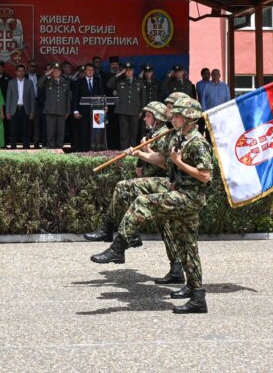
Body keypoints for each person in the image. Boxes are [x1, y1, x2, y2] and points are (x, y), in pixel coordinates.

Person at [91, 98, 214, 314]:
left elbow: (205, 176)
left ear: (188, 119)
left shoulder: (198, 142)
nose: (172, 118)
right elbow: (162, 158)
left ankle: (119, 246)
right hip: (179, 192)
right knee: (188, 246)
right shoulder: (181, 138)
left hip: (189, 196)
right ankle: (197, 296)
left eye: (176, 116)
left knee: (142, 203)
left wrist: (179, 163)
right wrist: (143, 153)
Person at [83, 102, 185, 285]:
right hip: (156, 185)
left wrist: (142, 154)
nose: (145, 118)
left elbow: (162, 162)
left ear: (157, 118)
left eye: (148, 115)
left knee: (124, 188)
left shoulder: (164, 135)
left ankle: (112, 230)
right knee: (166, 228)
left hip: (166, 185)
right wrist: (140, 163)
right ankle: (176, 269)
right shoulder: (154, 134)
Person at [107, 62, 146, 149]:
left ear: (133, 71)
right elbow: (109, 84)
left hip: (135, 111)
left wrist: (141, 111)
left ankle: (133, 154)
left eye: (130, 70)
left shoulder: (139, 82)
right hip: (123, 111)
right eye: (126, 70)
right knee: (124, 135)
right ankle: (124, 153)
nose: (128, 72)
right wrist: (119, 73)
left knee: (133, 134)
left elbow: (143, 98)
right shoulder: (120, 81)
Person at [72, 64, 105, 152]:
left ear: (94, 71)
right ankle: (84, 151)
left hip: (97, 112)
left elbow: (102, 95)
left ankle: (96, 151)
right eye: (88, 70)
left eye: (92, 70)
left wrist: (104, 107)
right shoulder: (79, 81)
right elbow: (75, 97)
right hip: (83, 112)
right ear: (85, 71)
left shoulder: (98, 81)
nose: (90, 71)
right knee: (84, 132)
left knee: (97, 133)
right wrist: (75, 111)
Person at [39, 63, 72, 150]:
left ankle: (59, 149)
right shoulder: (48, 81)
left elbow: (68, 97)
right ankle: (51, 150)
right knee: (50, 132)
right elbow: (38, 84)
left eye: (58, 70)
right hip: (50, 111)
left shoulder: (65, 82)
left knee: (60, 133)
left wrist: (68, 111)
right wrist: (48, 73)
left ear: (61, 72)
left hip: (61, 111)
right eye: (54, 70)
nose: (56, 72)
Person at [6, 64, 36, 149]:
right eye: (19, 70)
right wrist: (7, 111)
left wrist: (32, 112)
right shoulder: (11, 82)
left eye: (22, 71)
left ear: (25, 72)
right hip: (14, 109)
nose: (21, 72)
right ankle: (13, 149)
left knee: (26, 131)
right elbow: (8, 97)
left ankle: (26, 149)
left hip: (25, 109)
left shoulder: (29, 82)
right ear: (16, 72)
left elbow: (32, 98)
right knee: (13, 131)